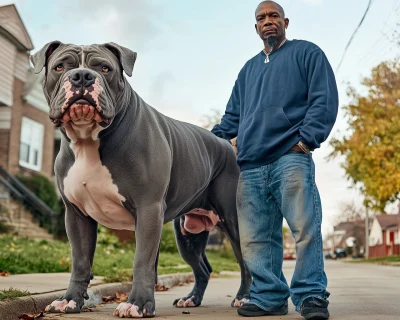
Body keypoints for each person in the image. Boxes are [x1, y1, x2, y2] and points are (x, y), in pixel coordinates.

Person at [211, 1, 338, 319]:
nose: (267, 21)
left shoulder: (307, 53)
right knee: (255, 238)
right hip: (251, 165)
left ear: (285, 21)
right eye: (261, 18)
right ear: (255, 27)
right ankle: (269, 297)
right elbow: (231, 118)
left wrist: (306, 140)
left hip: (290, 158)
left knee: (305, 229)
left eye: (273, 16)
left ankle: (310, 296)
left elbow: (324, 98)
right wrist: (206, 141)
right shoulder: (248, 70)